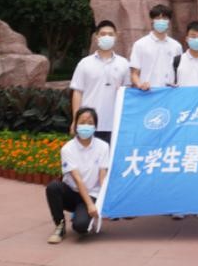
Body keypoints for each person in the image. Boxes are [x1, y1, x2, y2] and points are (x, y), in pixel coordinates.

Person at [45, 107, 110, 244]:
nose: (86, 126)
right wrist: (90, 206)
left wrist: (103, 202)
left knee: (81, 227)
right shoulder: (67, 149)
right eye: (82, 122)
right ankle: (60, 226)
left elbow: (102, 176)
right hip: (72, 193)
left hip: (92, 194)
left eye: (90, 123)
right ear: (75, 125)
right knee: (53, 187)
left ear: (95, 127)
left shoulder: (103, 147)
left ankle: (83, 216)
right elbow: (78, 180)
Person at [70, 20, 131, 143]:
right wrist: (76, 119)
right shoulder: (84, 63)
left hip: (114, 123)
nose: (106, 37)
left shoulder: (124, 63)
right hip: (88, 123)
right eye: (103, 34)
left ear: (116, 36)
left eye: (110, 34)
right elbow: (77, 92)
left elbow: (128, 93)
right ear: (96, 36)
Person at [129, 4, 182, 90]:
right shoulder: (140, 44)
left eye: (164, 18)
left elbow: (179, 72)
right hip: (148, 92)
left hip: (170, 93)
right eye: (157, 18)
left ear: (169, 21)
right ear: (152, 20)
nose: (161, 21)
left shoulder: (176, 46)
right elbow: (134, 74)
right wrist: (140, 85)